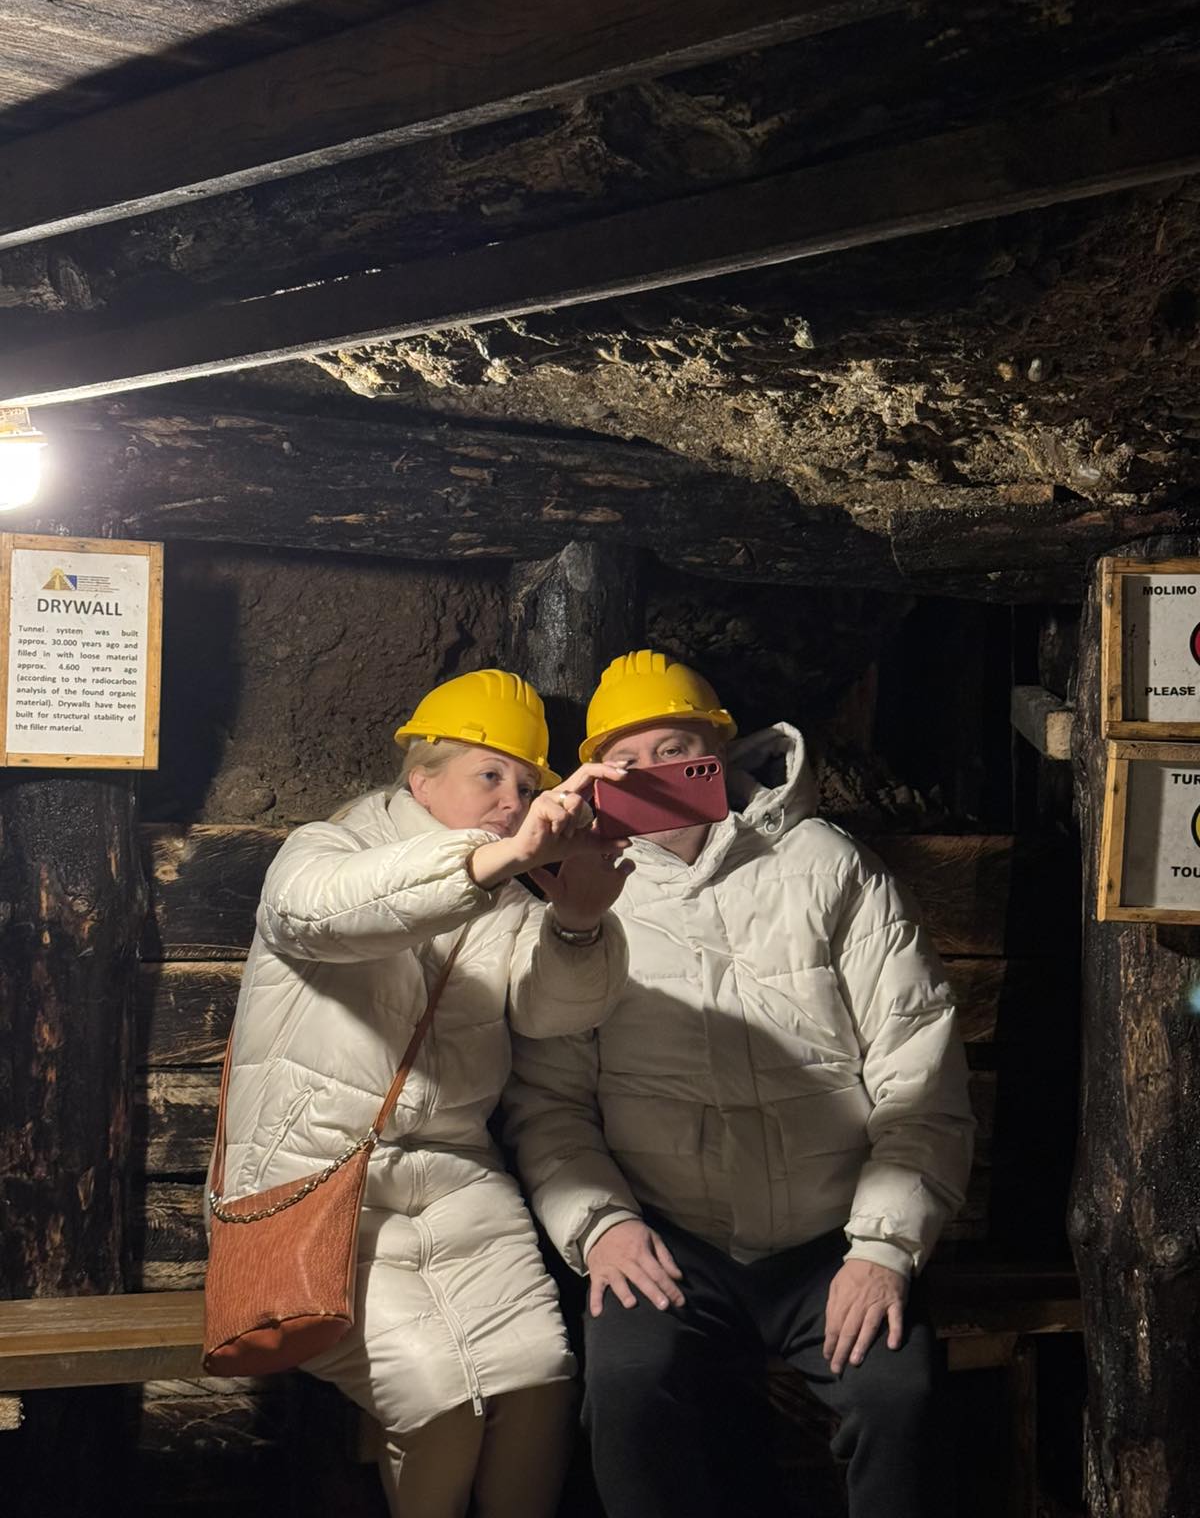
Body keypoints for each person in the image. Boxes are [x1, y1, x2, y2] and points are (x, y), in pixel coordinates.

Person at [505, 650, 976, 1518]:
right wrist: (603, 1226)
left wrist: (882, 1249)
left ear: (719, 754)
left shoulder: (830, 867)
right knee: (628, 1392)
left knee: (897, 1397)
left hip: (831, 1235)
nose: (654, 775)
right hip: (671, 1239)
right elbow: (550, 1102)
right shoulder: (583, 899)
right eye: (627, 761)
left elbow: (920, 1072)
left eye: (676, 750)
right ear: (597, 778)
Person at [212, 669, 634, 1518]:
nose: (512, 800)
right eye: (491, 775)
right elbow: (331, 912)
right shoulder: (323, 850)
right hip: (319, 1186)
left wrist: (580, 921)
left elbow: (554, 1012)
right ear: (421, 779)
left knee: (542, 1385)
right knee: (441, 1406)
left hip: (456, 1179)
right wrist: (503, 857)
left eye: (527, 786)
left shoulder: (508, 900)